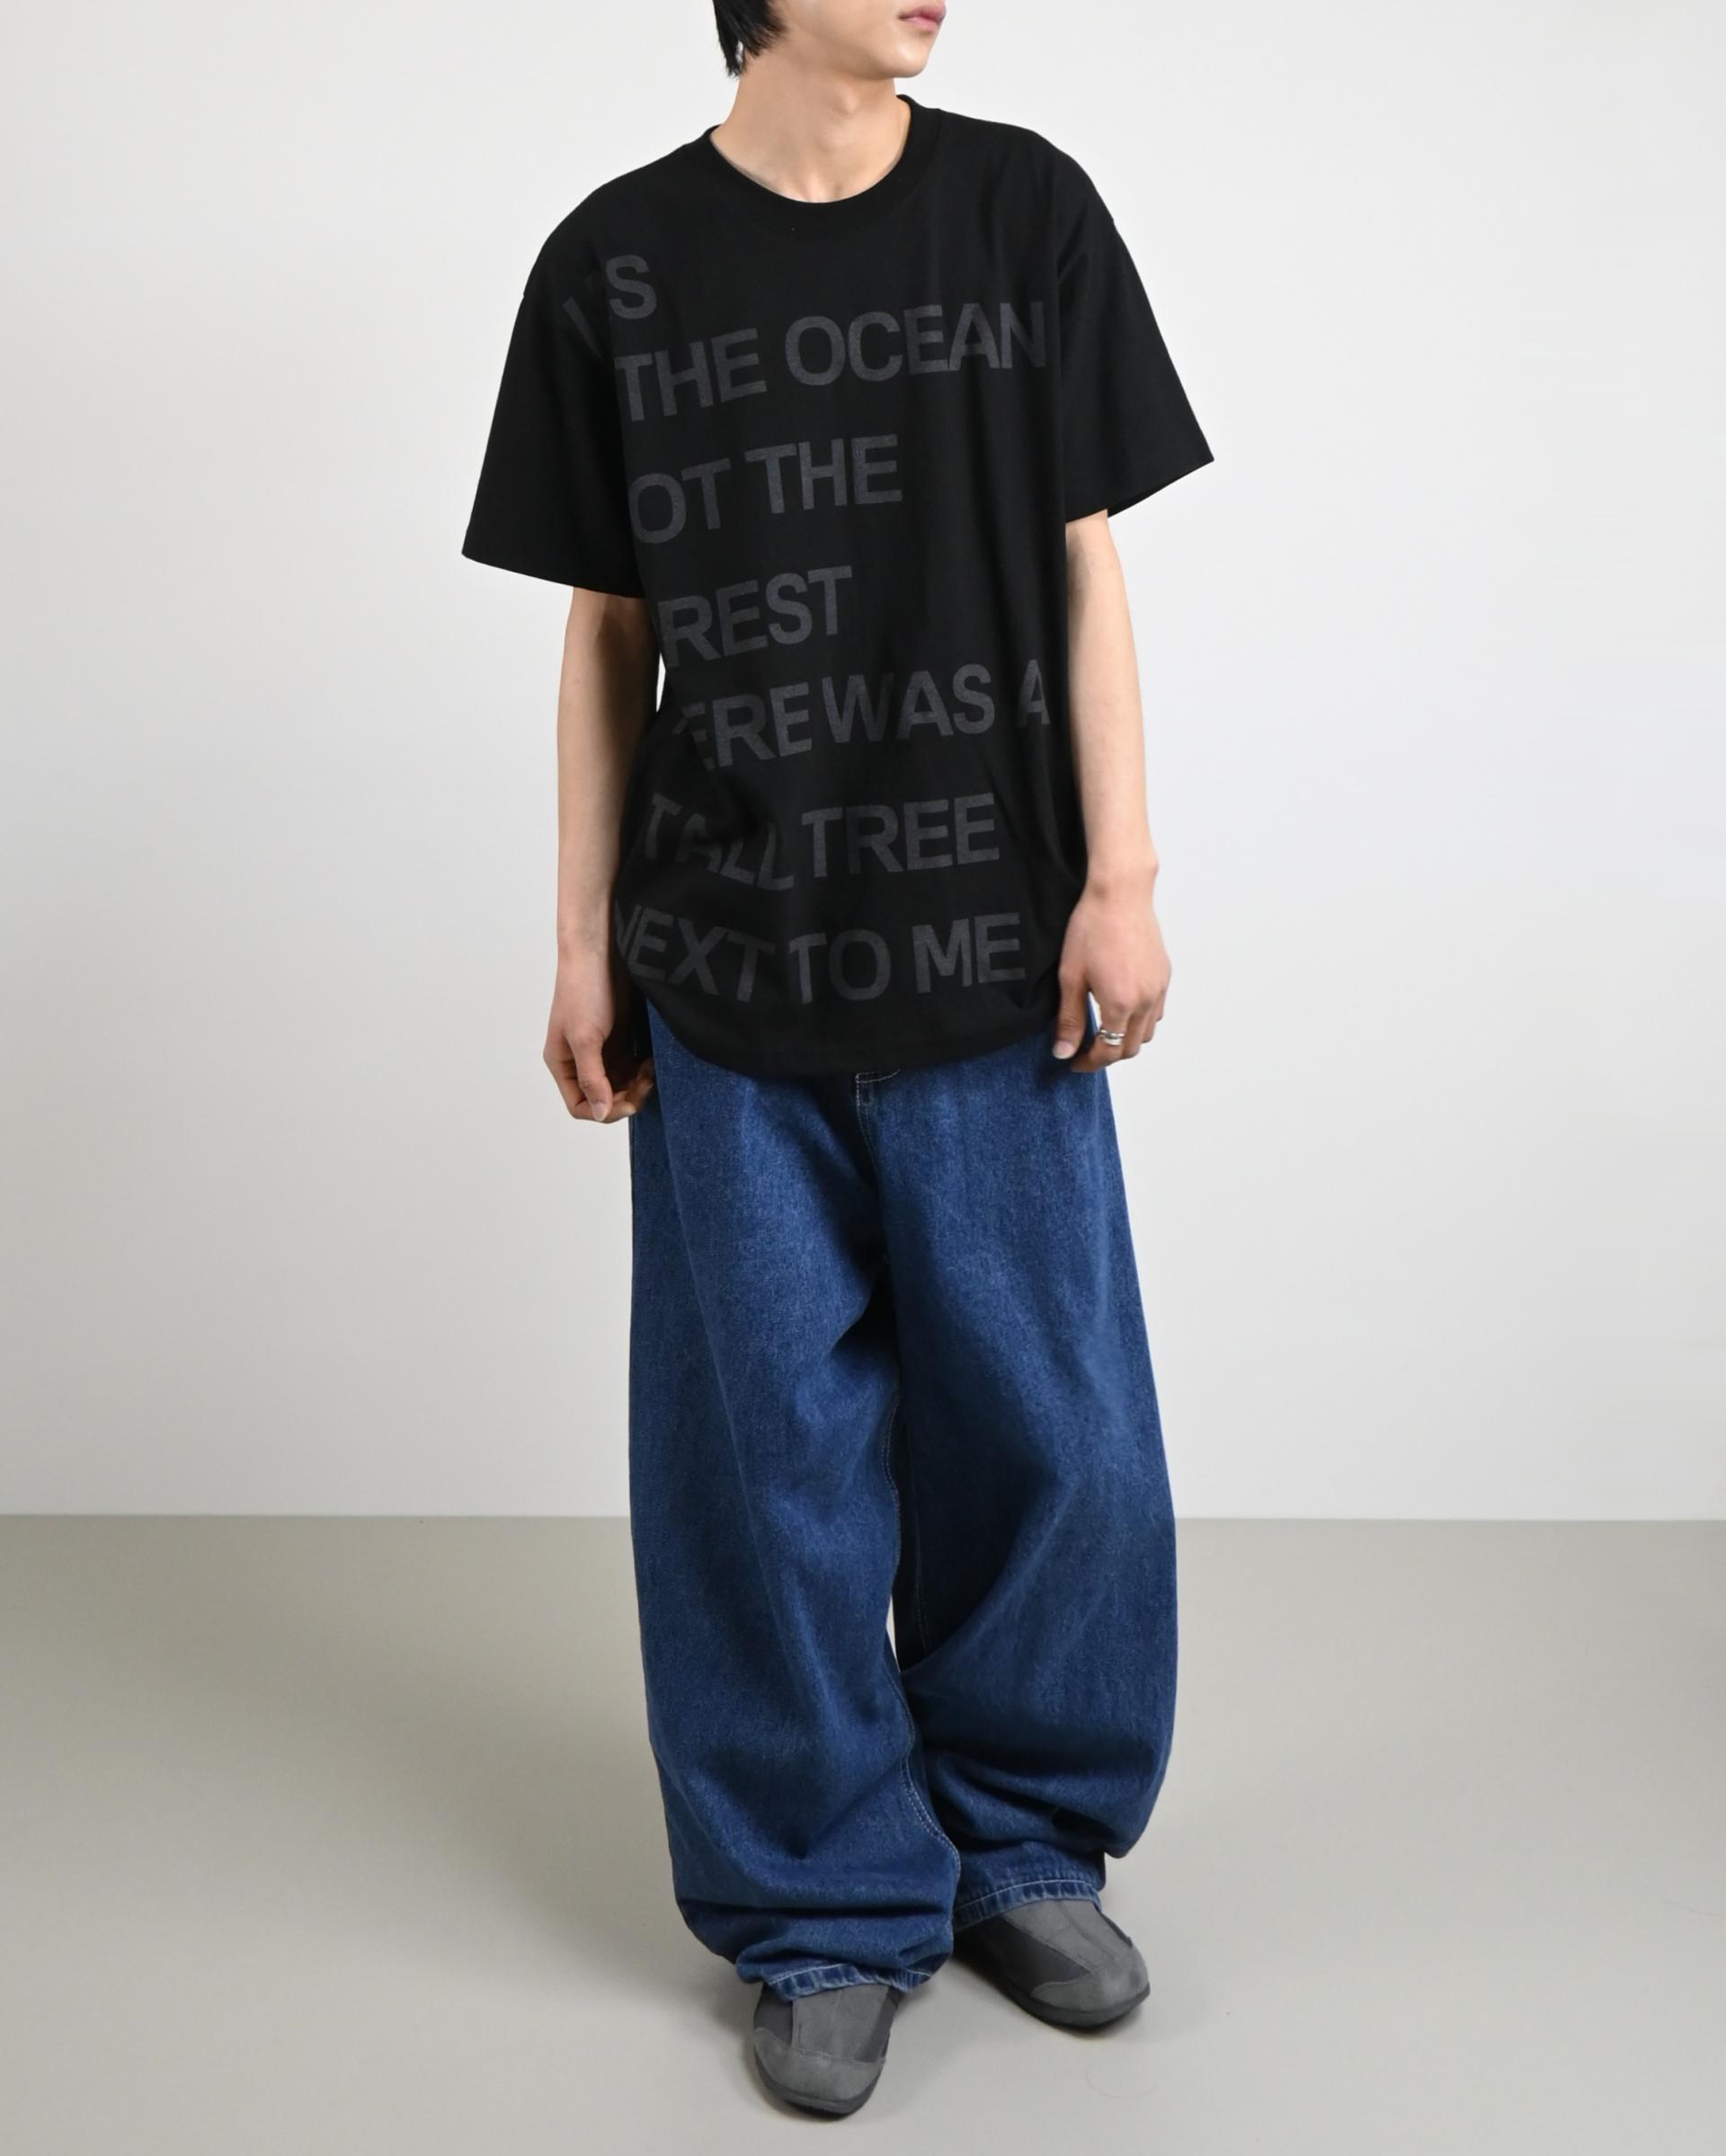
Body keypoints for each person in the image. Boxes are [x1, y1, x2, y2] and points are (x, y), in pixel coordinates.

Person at [461, 0, 1212, 2117]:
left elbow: (1084, 560)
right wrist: (581, 944)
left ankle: (1025, 1844)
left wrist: (1125, 873)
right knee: (760, 1466)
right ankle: (819, 1901)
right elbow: (607, 633)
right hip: (730, 972)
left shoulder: (1024, 216)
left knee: (1051, 1437)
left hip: (996, 954)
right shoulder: (614, 266)